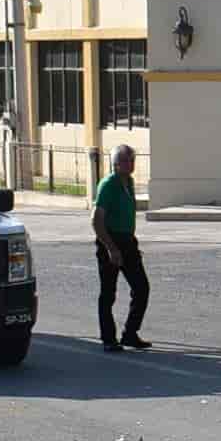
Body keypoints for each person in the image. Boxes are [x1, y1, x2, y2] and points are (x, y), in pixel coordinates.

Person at [93, 144, 151, 351]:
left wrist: (130, 243)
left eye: (132, 160)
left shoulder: (130, 182)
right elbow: (97, 220)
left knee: (141, 288)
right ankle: (108, 338)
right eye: (125, 160)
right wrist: (111, 248)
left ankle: (130, 333)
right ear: (115, 164)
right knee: (108, 292)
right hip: (110, 240)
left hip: (128, 241)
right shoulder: (109, 184)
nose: (130, 164)